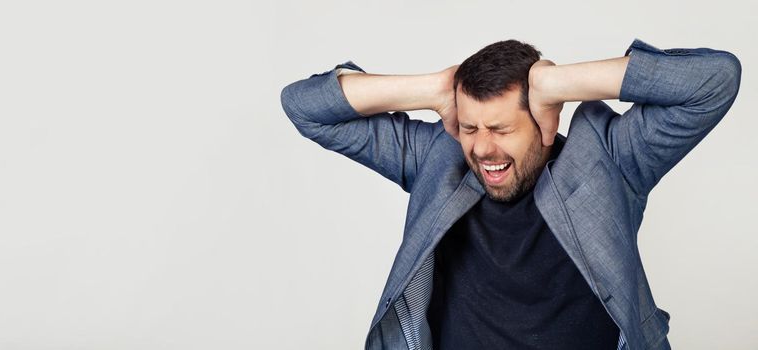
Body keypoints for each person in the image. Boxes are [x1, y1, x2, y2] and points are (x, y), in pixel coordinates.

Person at [279, 38, 741, 350]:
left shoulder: (611, 159)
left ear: (545, 119)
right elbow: (304, 107)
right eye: (469, 127)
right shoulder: (438, 158)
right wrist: (436, 89)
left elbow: (716, 79)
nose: (482, 148)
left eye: (501, 128)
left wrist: (559, 84)